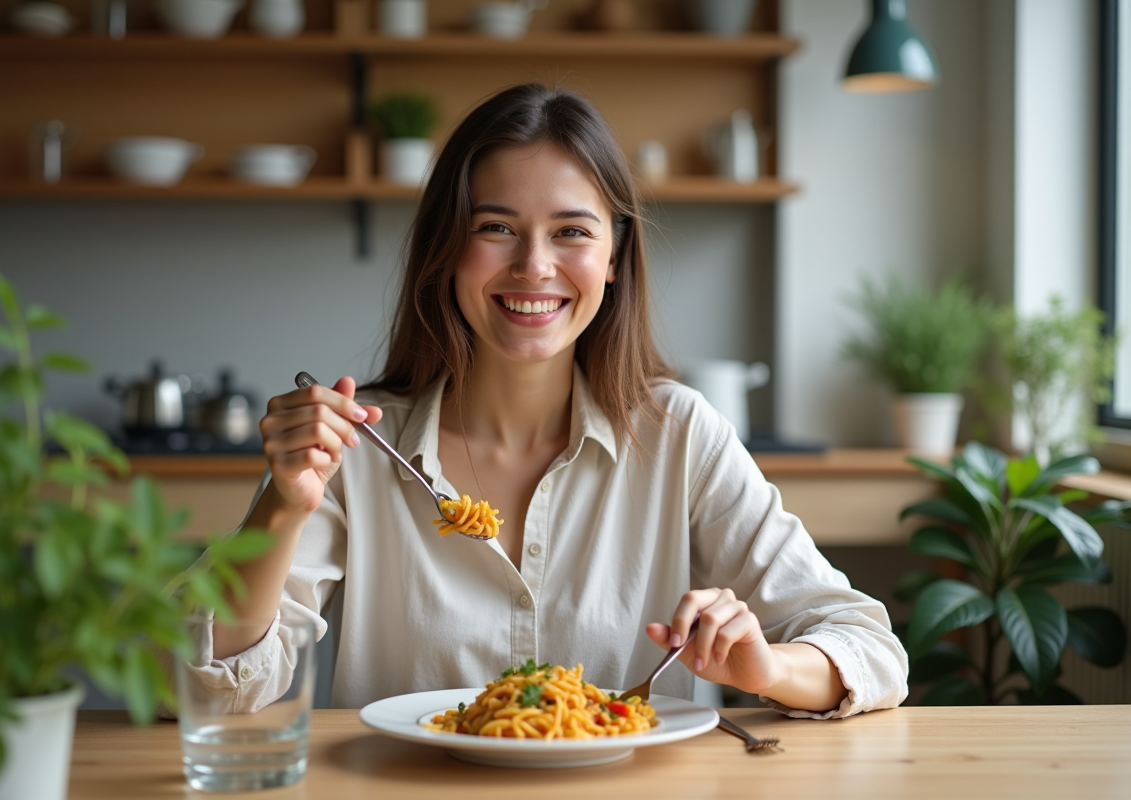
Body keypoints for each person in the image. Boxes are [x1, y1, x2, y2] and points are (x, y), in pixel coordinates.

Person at [195, 83, 908, 718]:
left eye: (571, 232)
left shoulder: (680, 434)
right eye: (495, 227)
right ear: (447, 249)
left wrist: (768, 667)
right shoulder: (356, 447)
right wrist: (282, 506)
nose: (534, 265)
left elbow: (868, 648)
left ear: (614, 259)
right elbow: (194, 689)